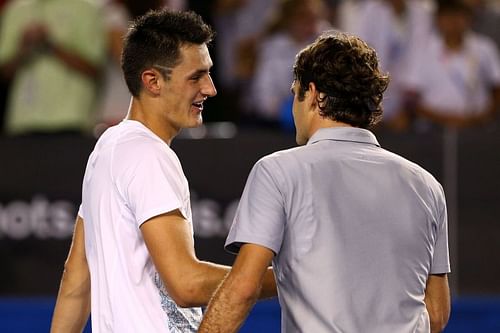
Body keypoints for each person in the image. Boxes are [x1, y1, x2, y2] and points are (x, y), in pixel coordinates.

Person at [199, 32, 451, 333]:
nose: (293, 106)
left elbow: (242, 289)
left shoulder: (277, 171)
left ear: (314, 95)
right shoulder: (427, 186)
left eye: (295, 93)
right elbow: (436, 312)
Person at [50, 9, 276, 333]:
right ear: (153, 81)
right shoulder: (148, 155)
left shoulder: (107, 147)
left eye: (209, 73)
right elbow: (186, 285)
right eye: (196, 76)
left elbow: (77, 276)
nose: (210, 89)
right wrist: (284, 277)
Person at [0, 0, 106, 135]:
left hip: (72, 120)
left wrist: (50, 45)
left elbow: (94, 69)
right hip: (23, 122)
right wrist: (24, 49)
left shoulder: (86, 8)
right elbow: (4, 72)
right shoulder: (15, 9)